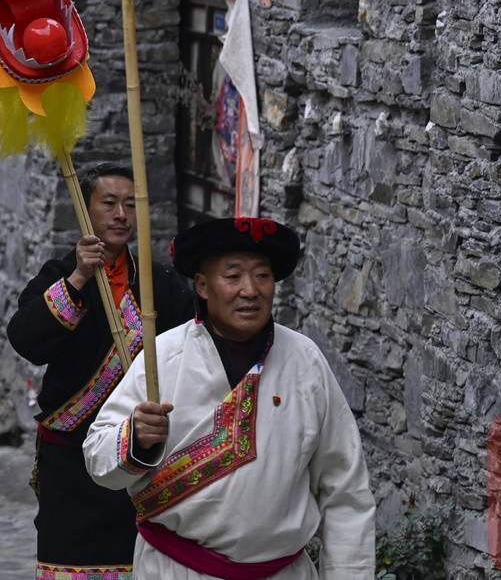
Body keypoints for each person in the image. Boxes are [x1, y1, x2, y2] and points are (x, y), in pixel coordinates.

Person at [85, 217, 376, 578]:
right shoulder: (163, 358)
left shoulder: (305, 361)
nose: (250, 290)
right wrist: (135, 439)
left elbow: (345, 489)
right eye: (233, 276)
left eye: (262, 276)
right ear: (203, 286)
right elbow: (97, 458)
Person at [7, 164, 197, 580]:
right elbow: (25, 340)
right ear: (85, 209)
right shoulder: (60, 275)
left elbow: (192, 349)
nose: (121, 215)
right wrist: (78, 278)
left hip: (137, 450)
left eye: (131, 204)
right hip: (70, 458)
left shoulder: (159, 284)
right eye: (109, 203)